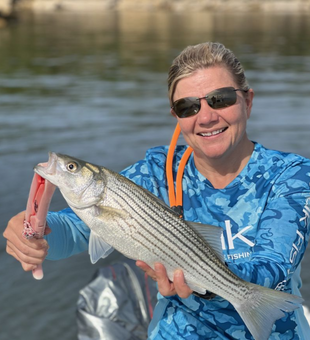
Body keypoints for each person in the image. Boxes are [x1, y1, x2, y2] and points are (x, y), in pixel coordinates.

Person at [4, 42, 310, 339]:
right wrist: (34, 233)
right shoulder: (157, 172)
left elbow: (275, 268)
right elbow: (74, 229)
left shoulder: (290, 176)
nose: (205, 117)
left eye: (221, 98)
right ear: (176, 117)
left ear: (248, 101)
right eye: (187, 107)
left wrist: (201, 277)